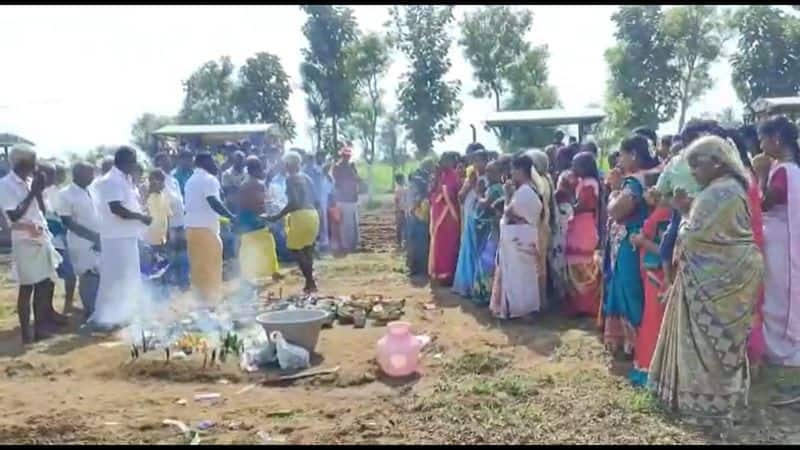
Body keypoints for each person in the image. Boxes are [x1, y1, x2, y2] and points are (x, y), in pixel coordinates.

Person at [649, 135, 763, 428]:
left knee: (706, 345)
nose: (695, 173)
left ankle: (702, 403)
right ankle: (724, 400)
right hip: (733, 277)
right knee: (725, 344)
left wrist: (685, 212)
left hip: (712, 283)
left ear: (716, 162)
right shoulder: (733, 188)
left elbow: (693, 237)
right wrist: (690, 210)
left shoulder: (717, 193)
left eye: (697, 166)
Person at [86, 146, 151, 332]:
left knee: (128, 276)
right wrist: (141, 218)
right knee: (115, 278)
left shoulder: (124, 179)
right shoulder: (111, 181)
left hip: (126, 235)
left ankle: (124, 314)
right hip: (115, 237)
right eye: (133, 161)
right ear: (124, 161)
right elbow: (116, 209)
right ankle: (106, 317)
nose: (135, 164)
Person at [0, 144, 62, 343]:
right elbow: (14, 215)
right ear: (22, 162)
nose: (36, 166)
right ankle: (27, 333)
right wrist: (32, 192)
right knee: (27, 287)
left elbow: (42, 211)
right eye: (33, 162)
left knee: (44, 283)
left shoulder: (30, 181)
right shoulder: (5, 185)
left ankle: (40, 328)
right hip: (24, 240)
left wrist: (38, 191)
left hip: (41, 236)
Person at [602, 135, 656, 356]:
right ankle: (629, 340)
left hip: (631, 241)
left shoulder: (634, 182)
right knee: (630, 287)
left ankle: (634, 343)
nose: (619, 161)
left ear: (633, 155)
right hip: (638, 238)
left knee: (627, 288)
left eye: (622, 155)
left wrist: (614, 190)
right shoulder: (651, 176)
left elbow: (617, 210)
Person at [754, 116, 800, 366]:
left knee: (776, 292)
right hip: (784, 238)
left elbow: (766, 202)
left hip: (780, 242)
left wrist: (761, 174)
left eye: (763, 138)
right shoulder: (789, 168)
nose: (760, 144)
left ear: (776, 139)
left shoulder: (782, 170)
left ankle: (780, 347)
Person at [627, 173, 671, 387]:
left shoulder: (664, 214)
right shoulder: (667, 212)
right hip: (655, 273)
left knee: (654, 320)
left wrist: (640, 240)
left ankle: (652, 368)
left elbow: (665, 250)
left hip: (658, 274)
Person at [490, 154, 542, 319]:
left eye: (513, 169)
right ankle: (523, 309)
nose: (511, 173)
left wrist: (507, 195)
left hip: (518, 239)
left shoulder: (525, 191)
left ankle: (521, 310)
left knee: (518, 276)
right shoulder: (530, 189)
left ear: (521, 170)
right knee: (525, 276)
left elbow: (509, 212)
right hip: (524, 238)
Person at [264, 151, 320, 293]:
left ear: (288, 164)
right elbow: (317, 200)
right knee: (307, 249)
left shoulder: (291, 179)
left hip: (299, 216)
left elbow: (294, 202)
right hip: (312, 214)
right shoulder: (307, 178)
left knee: (296, 249)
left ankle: (310, 281)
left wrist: (277, 216)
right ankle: (310, 283)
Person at [184, 152, 234, 305]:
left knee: (198, 268)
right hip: (206, 230)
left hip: (191, 229)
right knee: (212, 267)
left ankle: (200, 303)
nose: (215, 165)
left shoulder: (190, 181)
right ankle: (212, 303)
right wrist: (232, 216)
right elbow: (213, 201)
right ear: (205, 163)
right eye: (212, 161)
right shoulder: (208, 179)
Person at [57, 162, 101, 321]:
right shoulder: (65, 194)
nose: (92, 176)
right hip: (81, 241)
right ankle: (90, 312)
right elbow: (68, 222)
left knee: (98, 274)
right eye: (89, 173)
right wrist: (93, 237)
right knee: (87, 274)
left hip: (98, 239)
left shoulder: (93, 190)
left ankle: (97, 309)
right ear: (77, 174)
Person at [564, 152, 602, 317]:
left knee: (582, 264)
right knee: (580, 264)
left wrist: (568, 196)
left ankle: (585, 305)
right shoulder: (586, 182)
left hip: (583, 225)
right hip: (582, 225)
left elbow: (584, 205)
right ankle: (582, 304)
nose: (573, 168)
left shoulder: (588, 184)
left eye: (575, 164)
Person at [237, 156, 280, 286]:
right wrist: (269, 219)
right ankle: (273, 272)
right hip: (257, 219)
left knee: (247, 248)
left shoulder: (243, 184)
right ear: (255, 170)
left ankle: (246, 276)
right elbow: (261, 203)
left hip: (245, 220)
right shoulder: (258, 184)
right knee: (268, 245)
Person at [42, 163, 76, 316]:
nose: (62, 177)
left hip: (60, 239)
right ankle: (50, 309)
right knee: (53, 277)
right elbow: (52, 215)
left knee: (62, 275)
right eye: (59, 173)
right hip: (53, 240)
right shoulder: (48, 192)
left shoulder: (61, 192)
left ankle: (65, 305)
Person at [453, 149, 488, 297]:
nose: (476, 164)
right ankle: (468, 284)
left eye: (479, 160)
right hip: (471, 212)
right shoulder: (472, 176)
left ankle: (479, 284)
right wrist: (470, 184)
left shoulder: (491, 176)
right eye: (474, 161)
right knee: (470, 247)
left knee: (481, 249)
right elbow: (460, 196)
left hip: (482, 215)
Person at [471, 160, 504, 305]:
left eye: (492, 172)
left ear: (500, 174)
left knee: (486, 261)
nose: (488, 175)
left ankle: (485, 293)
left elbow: (485, 205)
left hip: (490, 229)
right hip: (489, 228)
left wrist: (478, 194)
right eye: (488, 171)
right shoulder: (497, 188)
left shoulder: (495, 189)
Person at [154, 152, 188, 289]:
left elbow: (179, 201)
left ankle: (183, 281)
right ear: (158, 164)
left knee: (183, 254)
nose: (168, 163)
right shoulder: (158, 182)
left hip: (180, 222)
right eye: (164, 161)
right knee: (171, 255)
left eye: (168, 160)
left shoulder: (173, 180)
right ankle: (170, 283)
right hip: (169, 225)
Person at [428, 152, 461, 286]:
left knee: (449, 245)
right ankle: (440, 273)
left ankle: (448, 274)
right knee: (440, 245)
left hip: (449, 216)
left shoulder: (454, 176)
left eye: (445, 161)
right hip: (440, 216)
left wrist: (445, 194)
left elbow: (455, 194)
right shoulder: (440, 177)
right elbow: (432, 194)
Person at [406, 160, 433, 278]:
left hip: (420, 226)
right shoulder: (422, 198)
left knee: (419, 249)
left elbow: (419, 214)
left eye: (414, 186)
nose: (412, 188)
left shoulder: (423, 200)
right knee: (417, 248)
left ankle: (418, 269)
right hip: (418, 226)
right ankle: (417, 268)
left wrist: (414, 207)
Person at [332, 145, 361, 253]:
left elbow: (357, 179)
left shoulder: (351, 166)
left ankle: (353, 243)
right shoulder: (338, 167)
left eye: (348, 156)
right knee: (345, 225)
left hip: (352, 198)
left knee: (353, 223)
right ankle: (346, 245)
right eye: (345, 156)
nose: (347, 157)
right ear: (342, 156)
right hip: (343, 199)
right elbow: (338, 182)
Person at [144, 169, 171, 250]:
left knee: (162, 259)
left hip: (162, 237)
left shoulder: (163, 196)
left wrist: (168, 232)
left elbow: (168, 215)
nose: (162, 184)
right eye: (159, 181)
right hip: (149, 237)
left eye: (163, 181)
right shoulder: (146, 196)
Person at [393, 173, 408, 249]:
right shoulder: (399, 189)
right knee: (401, 227)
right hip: (401, 210)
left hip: (402, 210)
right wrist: (398, 210)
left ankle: (400, 242)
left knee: (401, 227)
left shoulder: (401, 188)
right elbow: (397, 200)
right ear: (400, 180)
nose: (404, 180)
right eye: (403, 179)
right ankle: (400, 243)